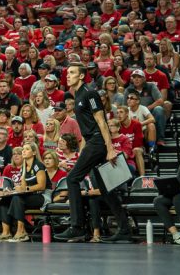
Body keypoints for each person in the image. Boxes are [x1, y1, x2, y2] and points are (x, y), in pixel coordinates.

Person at [54, 63, 131, 243]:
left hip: (98, 141)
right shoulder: (77, 94)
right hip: (92, 142)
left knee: (73, 178)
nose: (68, 75)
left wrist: (110, 148)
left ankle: (77, 227)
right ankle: (125, 229)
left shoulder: (89, 93)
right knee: (106, 188)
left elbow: (101, 121)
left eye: (72, 73)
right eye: (68, 72)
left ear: (81, 76)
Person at [0, 142, 50, 242]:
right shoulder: (23, 167)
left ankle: (21, 232)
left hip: (42, 195)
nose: (23, 151)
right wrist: (14, 191)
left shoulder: (38, 165)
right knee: (5, 199)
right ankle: (6, 233)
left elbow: (42, 186)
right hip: (29, 195)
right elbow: (23, 186)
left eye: (27, 149)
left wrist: (25, 189)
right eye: (23, 149)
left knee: (17, 199)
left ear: (34, 152)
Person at [152, 138, 180, 245]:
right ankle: (176, 234)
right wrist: (169, 190)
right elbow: (178, 183)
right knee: (158, 200)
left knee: (178, 198)